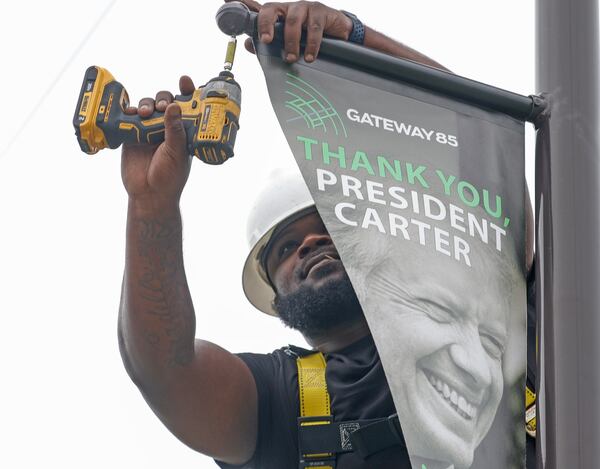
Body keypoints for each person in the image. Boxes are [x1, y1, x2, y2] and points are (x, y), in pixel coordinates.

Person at [117, 1, 533, 467]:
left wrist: (353, 45)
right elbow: (163, 369)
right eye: (288, 248)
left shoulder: (499, 326)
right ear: (274, 295)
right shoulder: (278, 401)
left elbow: (473, 142)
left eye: (331, 229)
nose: (312, 243)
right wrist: (151, 206)